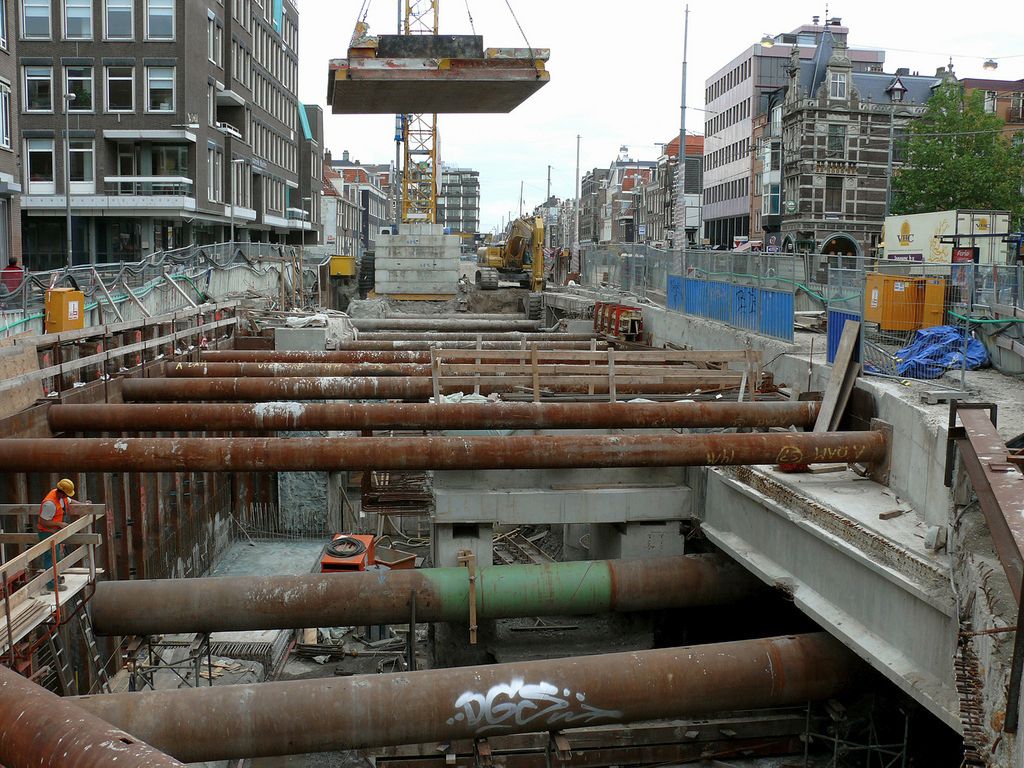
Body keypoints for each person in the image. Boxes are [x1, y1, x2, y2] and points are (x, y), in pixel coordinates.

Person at [38, 479, 81, 591]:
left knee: (55, 557)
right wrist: (59, 524)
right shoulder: (50, 504)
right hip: (47, 533)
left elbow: (71, 501)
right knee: (51, 558)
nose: (67, 497)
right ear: (61, 492)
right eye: (66, 494)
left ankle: (55, 579)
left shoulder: (62, 497)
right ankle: (52, 585)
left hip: (55, 533)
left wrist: (83, 505)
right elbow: (43, 522)